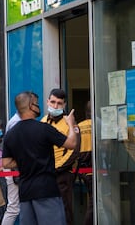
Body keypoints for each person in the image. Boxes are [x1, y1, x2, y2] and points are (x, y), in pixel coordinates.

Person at [2, 91, 79, 225]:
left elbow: (6, 163)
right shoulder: (44, 128)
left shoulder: (10, 134)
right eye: (36, 104)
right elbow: (72, 143)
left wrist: (24, 159)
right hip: (46, 190)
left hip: (25, 191)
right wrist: (71, 124)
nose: (39, 107)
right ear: (31, 106)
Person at [41, 89, 81, 225]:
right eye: (52, 102)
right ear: (47, 101)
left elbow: (74, 150)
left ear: (64, 105)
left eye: (59, 103)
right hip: (45, 173)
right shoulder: (43, 121)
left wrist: (57, 168)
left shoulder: (69, 123)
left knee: (64, 210)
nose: (55, 106)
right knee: (46, 211)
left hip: (62, 174)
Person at [1, 113, 21, 225]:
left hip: (15, 168)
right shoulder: (17, 122)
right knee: (14, 208)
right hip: (15, 168)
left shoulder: (17, 121)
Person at [77, 100, 93, 225]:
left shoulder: (78, 126)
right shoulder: (98, 124)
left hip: (81, 168)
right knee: (94, 202)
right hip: (93, 167)